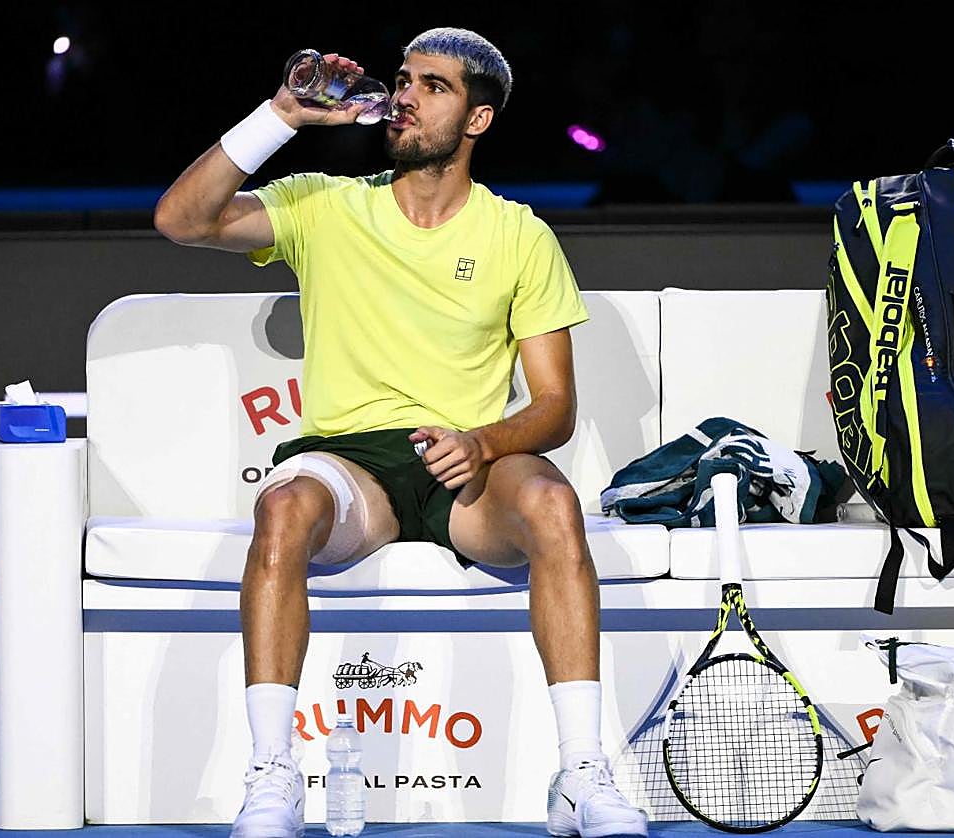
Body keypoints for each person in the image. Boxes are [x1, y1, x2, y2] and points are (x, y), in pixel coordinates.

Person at [154, 26, 647, 838]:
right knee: (281, 509)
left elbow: (555, 406)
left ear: (478, 120)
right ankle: (273, 775)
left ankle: (582, 773)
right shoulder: (325, 204)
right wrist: (281, 116)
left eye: (433, 86)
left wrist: (484, 442)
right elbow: (181, 219)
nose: (405, 96)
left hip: (466, 468)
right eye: (403, 79)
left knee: (555, 505)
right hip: (352, 466)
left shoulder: (520, 235)